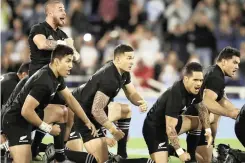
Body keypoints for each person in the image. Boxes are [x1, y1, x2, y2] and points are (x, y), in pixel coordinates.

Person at [1, 45, 96, 163]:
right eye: (68, 61)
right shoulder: (43, 81)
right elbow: (26, 111)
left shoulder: (56, 76)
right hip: (16, 121)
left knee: (62, 111)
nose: (71, 65)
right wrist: (49, 129)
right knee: (24, 161)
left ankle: (60, 156)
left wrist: (86, 121)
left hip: (32, 116)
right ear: (56, 61)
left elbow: (70, 99)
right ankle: (4, 152)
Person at [66, 44, 151, 163]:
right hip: (80, 113)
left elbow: (131, 93)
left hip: (93, 109)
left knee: (126, 110)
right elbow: (96, 110)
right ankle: (53, 150)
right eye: (129, 58)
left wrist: (141, 102)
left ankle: (122, 155)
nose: (132, 62)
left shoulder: (123, 71)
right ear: (117, 59)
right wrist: (113, 130)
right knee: (99, 161)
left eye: (132, 58)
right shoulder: (109, 79)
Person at [27, 0, 80, 160]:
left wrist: (72, 49)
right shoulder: (39, 28)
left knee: (69, 111)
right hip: (39, 81)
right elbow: (42, 44)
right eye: (60, 9)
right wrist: (63, 44)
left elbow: (76, 56)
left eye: (65, 9)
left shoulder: (63, 34)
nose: (64, 12)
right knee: (60, 112)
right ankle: (54, 153)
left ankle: (58, 150)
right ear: (49, 12)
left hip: (55, 82)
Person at [142, 62, 213, 163]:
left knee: (198, 122)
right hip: (155, 129)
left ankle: (191, 158)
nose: (199, 83)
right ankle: (122, 161)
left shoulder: (197, 89)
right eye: (195, 80)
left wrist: (208, 131)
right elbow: (170, 128)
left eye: (201, 80)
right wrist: (180, 152)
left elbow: (202, 108)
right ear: (186, 79)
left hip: (171, 123)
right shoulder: (176, 94)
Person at [186, 46, 241, 162]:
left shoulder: (214, 71)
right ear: (224, 61)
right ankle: (175, 150)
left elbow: (222, 99)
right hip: (197, 120)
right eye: (234, 62)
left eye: (238, 63)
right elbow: (207, 101)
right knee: (205, 161)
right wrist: (229, 113)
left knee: (215, 115)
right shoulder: (216, 77)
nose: (237, 67)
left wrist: (238, 113)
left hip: (197, 118)